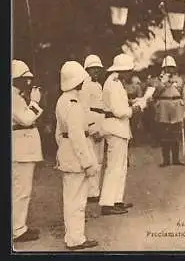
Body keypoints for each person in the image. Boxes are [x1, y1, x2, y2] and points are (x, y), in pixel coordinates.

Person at [55, 61, 99, 250]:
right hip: (76, 156)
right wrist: (87, 162)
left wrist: (63, 149)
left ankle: (72, 236)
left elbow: (58, 133)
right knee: (77, 200)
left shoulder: (62, 100)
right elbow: (77, 136)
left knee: (71, 198)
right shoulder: (73, 103)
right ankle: (76, 239)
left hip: (66, 152)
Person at [99, 54, 143, 215]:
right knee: (115, 167)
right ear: (123, 70)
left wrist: (131, 103)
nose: (130, 74)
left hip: (119, 128)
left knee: (121, 167)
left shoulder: (115, 82)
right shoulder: (114, 83)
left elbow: (117, 104)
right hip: (115, 127)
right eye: (129, 70)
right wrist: (134, 110)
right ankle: (107, 204)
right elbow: (118, 111)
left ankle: (116, 200)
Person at [12, 60, 43, 243]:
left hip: (22, 148)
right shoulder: (14, 98)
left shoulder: (16, 96)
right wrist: (34, 103)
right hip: (20, 149)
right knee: (21, 191)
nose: (29, 83)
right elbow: (25, 119)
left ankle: (18, 226)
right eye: (25, 79)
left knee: (21, 190)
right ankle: (17, 229)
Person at [152, 56, 185, 166]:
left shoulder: (180, 80)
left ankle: (176, 159)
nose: (170, 70)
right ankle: (166, 160)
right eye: (167, 67)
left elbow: (184, 95)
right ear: (163, 68)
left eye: (172, 67)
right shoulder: (159, 80)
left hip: (177, 106)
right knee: (165, 134)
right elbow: (154, 94)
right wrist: (163, 83)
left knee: (176, 134)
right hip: (164, 107)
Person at [80, 54, 106, 203]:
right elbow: (84, 109)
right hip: (91, 121)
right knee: (92, 158)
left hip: (100, 119)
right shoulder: (85, 85)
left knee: (99, 159)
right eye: (93, 68)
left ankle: (95, 191)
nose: (96, 71)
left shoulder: (98, 85)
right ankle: (91, 192)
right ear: (87, 70)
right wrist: (91, 128)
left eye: (98, 68)